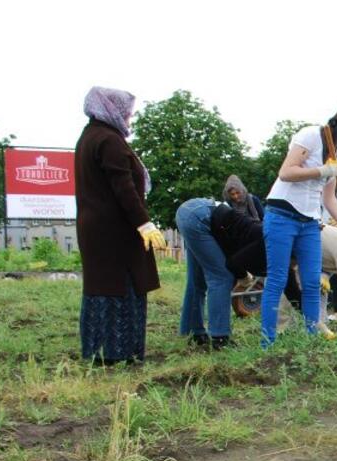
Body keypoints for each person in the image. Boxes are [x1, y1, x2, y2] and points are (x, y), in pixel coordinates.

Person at [260, 102, 337, 347]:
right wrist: (321, 170)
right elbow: (286, 172)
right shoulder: (309, 135)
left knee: (311, 282)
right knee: (277, 279)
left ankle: (311, 343)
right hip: (282, 214)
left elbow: (329, 198)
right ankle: (267, 343)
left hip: (310, 222)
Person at [74, 86, 164, 365]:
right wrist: (144, 223)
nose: (129, 118)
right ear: (111, 109)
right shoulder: (109, 140)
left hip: (97, 228)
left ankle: (98, 351)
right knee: (121, 287)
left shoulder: (89, 136)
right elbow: (124, 188)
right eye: (127, 112)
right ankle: (119, 353)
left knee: (101, 287)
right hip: (115, 231)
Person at [176, 198, 237, 350]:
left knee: (196, 280)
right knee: (222, 277)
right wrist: (241, 275)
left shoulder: (243, 217)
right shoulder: (250, 228)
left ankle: (192, 332)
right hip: (200, 218)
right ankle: (220, 337)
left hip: (187, 211)